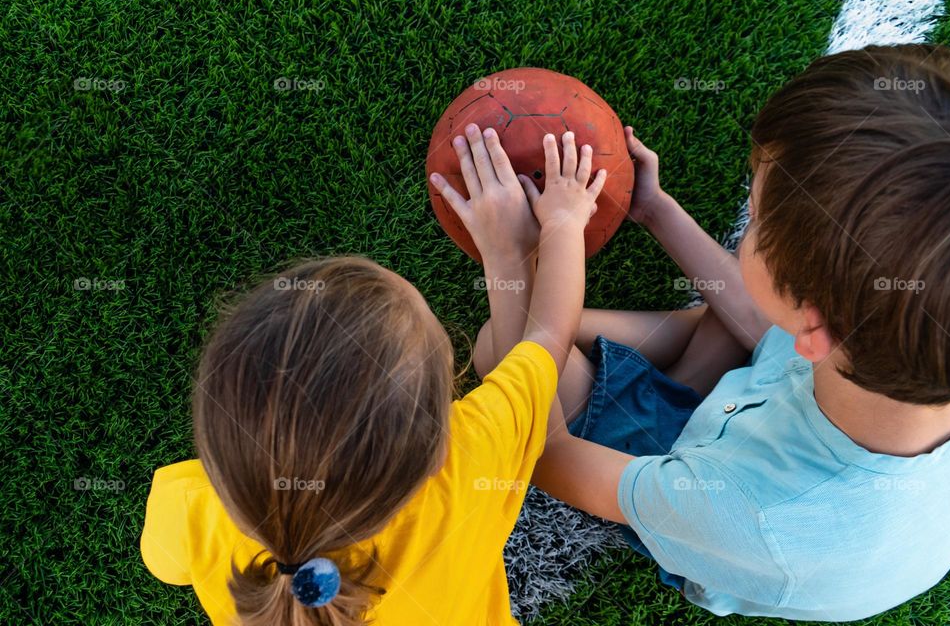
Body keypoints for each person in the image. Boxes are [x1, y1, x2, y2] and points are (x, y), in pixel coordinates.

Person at [475, 44, 950, 621]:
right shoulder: (904, 343)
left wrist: (517, 256)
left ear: (814, 326)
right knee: (724, 319)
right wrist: (655, 209)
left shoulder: (741, 509)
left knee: (496, 345)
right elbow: (766, 326)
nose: (747, 222)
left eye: (755, 218)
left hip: (706, 492)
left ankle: (669, 383)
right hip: (777, 414)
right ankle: (686, 376)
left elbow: (546, 451)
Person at [140, 122, 605, 624]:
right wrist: (546, 231)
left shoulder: (191, 509)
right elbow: (546, 341)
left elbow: (164, 561)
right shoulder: (469, 464)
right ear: (436, 450)